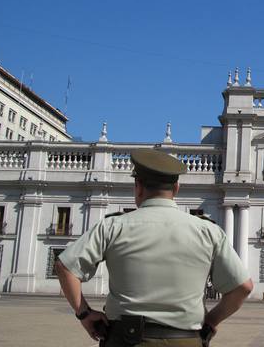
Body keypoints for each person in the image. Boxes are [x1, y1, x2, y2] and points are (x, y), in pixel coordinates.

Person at [55, 148, 253, 346]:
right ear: (176, 188)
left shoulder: (112, 226)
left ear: (138, 186)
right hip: (186, 340)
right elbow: (243, 287)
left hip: (124, 340)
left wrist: (84, 313)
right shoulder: (208, 231)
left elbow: (65, 267)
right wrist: (211, 320)